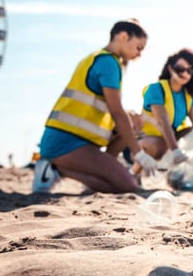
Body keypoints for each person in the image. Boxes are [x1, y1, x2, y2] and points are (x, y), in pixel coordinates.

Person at [31, 19, 159, 194]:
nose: (139, 54)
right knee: (127, 185)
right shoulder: (108, 63)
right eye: (138, 47)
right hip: (66, 142)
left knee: (134, 121)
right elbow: (116, 112)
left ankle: (101, 171)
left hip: (78, 140)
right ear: (123, 36)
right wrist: (139, 153)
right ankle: (55, 168)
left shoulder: (99, 59)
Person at [132, 49, 193, 174]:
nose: (185, 74)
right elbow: (163, 121)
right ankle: (134, 171)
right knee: (156, 144)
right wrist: (176, 151)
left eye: (190, 70)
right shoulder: (156, 89)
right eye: (180, 69)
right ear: (170, 69)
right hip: (148, 141)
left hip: (172, 139)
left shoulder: (187, 96)